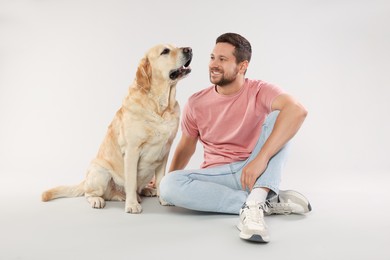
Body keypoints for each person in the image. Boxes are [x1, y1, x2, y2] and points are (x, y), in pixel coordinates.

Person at [159, 32, 311, 243]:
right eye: (212, 57)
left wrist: (261, 159)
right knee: (168, 185)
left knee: (282, 116)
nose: (214, 64)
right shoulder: (196, 102)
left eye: (222, 59)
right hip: (217, 177)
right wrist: (168, 187)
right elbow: (186, 147)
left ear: (242, 66)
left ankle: (255, 201)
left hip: (254, 169)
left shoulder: (260, 90)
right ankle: (260, 200)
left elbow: (298, 110)